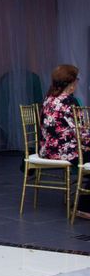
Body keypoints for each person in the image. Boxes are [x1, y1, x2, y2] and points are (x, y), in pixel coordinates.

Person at [40, 64, 90, 219]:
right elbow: (82, 132)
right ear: (72, 82)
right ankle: (84, 207)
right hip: (65, 151)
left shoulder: (49, 99)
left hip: (48, 150)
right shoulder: (69, 101)